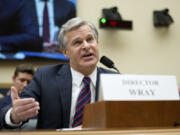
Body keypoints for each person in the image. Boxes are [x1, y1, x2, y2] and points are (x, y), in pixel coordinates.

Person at [0, 17, 118, 129]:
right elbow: (15, 109)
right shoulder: (45, 77)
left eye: (90, 39)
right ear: (65, 52)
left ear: (97, 43)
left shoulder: (114, 79)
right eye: (77, 42)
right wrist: (14, 115)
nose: (86, 46)